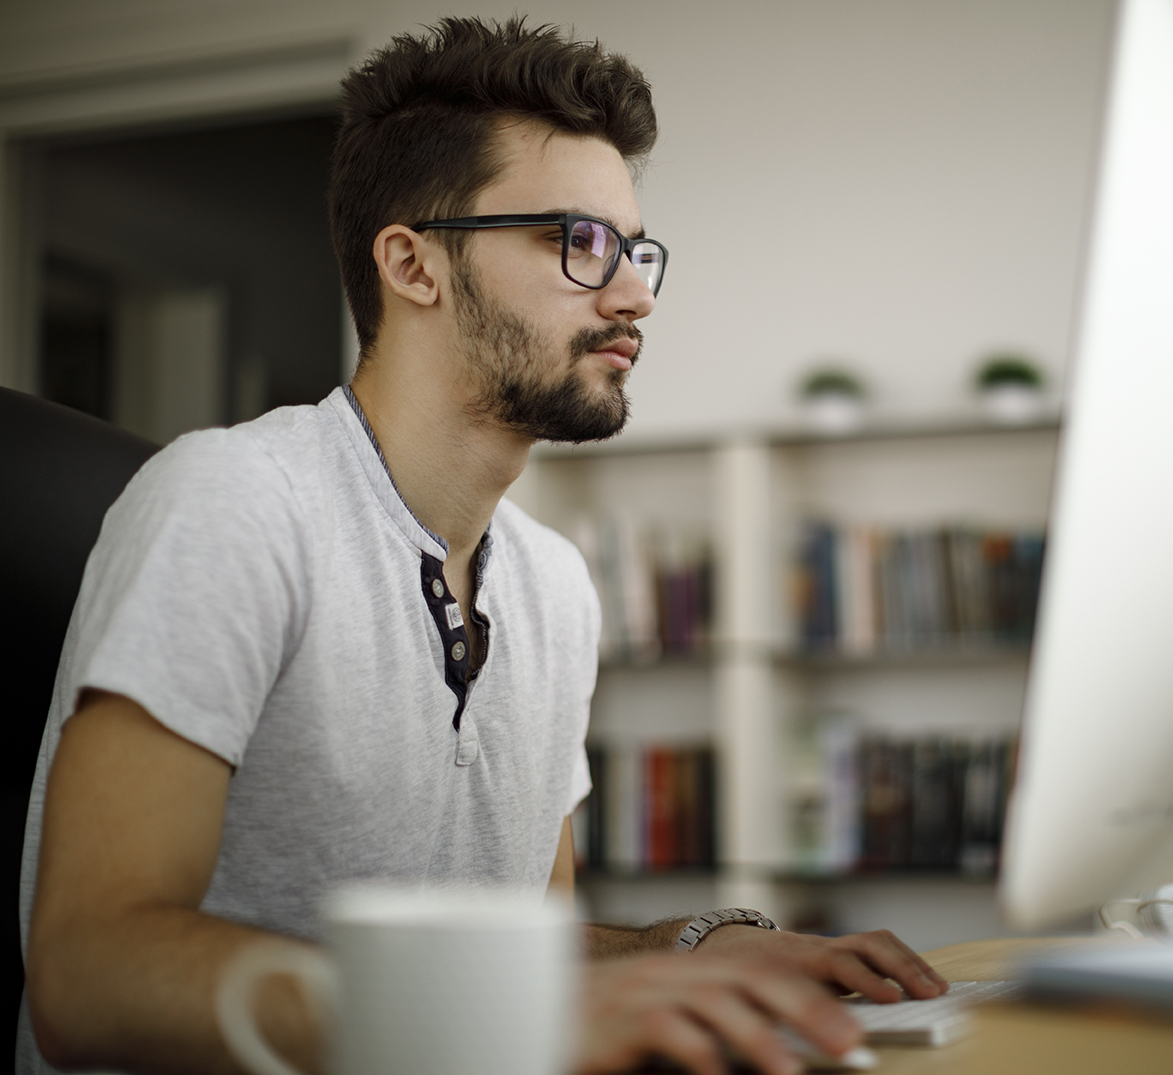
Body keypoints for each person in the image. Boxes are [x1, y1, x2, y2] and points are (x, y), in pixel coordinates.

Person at [19, 18, 946, 1075]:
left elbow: (527, 954)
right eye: (578, 241)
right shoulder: (233, 501)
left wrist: (692, 953)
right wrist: (479, 1027)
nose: (634, 293)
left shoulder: (554, 586)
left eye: (634, 249)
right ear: (413, 264)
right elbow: (88, 972)